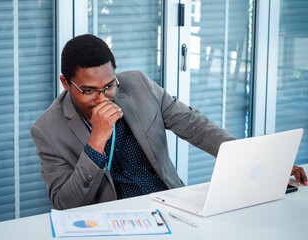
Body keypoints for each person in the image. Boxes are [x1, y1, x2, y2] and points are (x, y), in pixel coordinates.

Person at [31, 34, 307, 210]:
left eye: (108, 86)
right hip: (114, 220)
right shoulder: (47, 130)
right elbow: (64, 203)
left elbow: (195, 126)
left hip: (172, 206)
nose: (102, 99)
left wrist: (265, 163)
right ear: (66, 84)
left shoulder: (138, 85)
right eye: (88, 90)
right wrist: (95, 142)